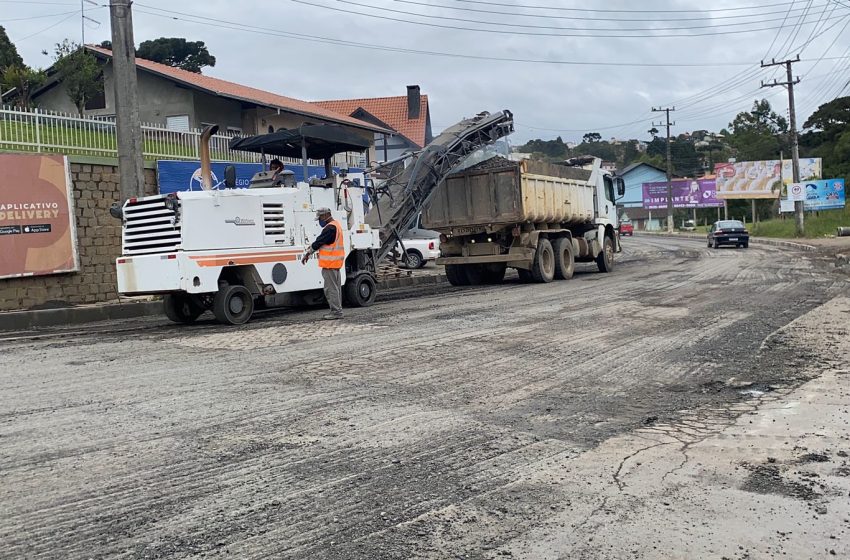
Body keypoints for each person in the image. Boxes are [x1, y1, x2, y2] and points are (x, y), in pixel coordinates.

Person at [301, 208, 344, 320]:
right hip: (335, 263)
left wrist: (308, 253)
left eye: (320, 218)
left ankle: (336, 312)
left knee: (331, 289)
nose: (319, 220)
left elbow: (319, 242)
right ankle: (337, 310)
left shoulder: (330, 228)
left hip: (330, 263)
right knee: (335, 288)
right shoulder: (337, 225)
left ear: (325, 215)